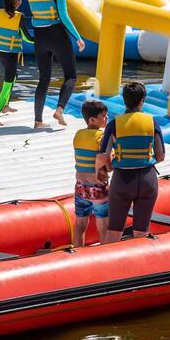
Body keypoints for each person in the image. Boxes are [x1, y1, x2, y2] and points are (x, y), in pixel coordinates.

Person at [96, 81, 166, 243]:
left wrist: (108, 167)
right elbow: (161, 156)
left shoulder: (114, 125)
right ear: (143, 100)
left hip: (122, 180)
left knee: (114, 230)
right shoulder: (152, 122)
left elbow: (103, 157)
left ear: (123, 99)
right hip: (147, 179)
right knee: (141, 232)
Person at [27, 0, 85, 128]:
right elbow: (64, 16)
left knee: (43, 79)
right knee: (71, 75)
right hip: (56, 33)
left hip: (39, 36)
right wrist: (77, 37)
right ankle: (59, 110)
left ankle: (38, 121)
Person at [71, 99, 110, 247]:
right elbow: (106, 161)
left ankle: (77, 253)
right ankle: (104, 255)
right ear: (92, 120)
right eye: (103, 116)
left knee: (80, 224)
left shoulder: (78, 135)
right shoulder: (101, 137)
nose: (106, 119)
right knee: (103, 225)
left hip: (80, 187)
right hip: (97, 187)